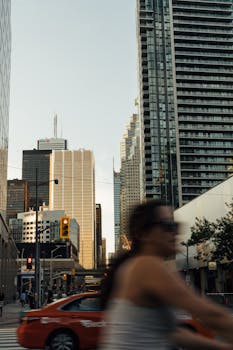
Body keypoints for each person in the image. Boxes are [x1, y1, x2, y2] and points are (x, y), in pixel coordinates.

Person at [100, 199, 233, 350]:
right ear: (144, 234)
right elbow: (211, 315)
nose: (175, 232)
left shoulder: (136, 266)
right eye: (168, 226)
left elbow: (175, 335)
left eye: (175, 225)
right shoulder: (147, 266)